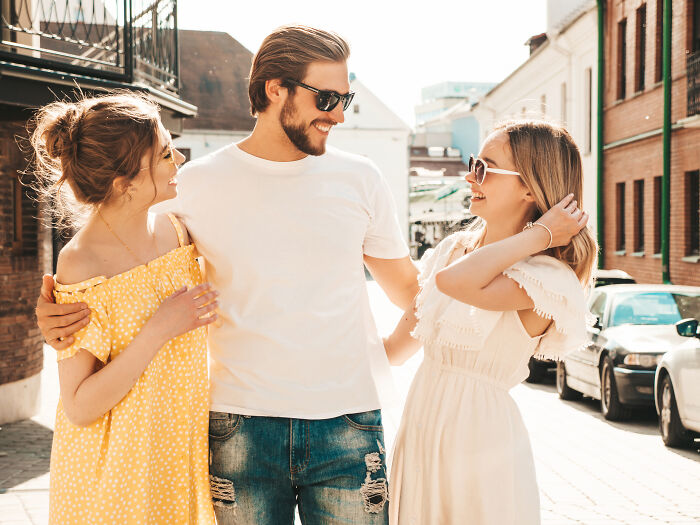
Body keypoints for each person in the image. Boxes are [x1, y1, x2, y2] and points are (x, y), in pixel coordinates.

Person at [35, 26, 419, 524]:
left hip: (347, 426)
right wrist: (57, 320)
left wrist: (373, 364)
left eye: (345, 97)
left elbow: (414, 297)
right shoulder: (187, 187)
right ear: (275, 89)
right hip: (239, 429)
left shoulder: (362, 178)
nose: (339, 113)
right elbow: (120, 270)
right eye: (327, 97)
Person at [384, 120, 597, 524]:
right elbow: (393, 351)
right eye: (472, 163)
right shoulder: (452, 249)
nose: (469, 176)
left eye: (485, 167)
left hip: (479, 445)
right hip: (421, 435)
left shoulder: (546, 276)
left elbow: (454, 282)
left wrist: (540, 236)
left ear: (530, 188)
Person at [30, 93, 218, 524]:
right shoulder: (80, 262)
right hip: (114, 477)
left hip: (175, 457)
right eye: (165, 153)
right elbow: (78, 405)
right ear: (125, 183)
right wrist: (159, 329)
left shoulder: (178, 228)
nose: (180, 159)